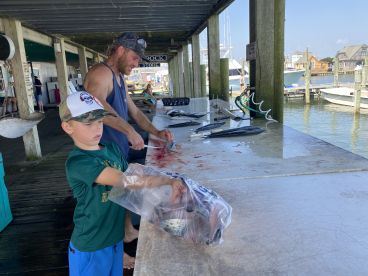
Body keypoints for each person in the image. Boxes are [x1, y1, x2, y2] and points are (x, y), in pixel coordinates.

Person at [59, 91, 185, 276]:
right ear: (68, 127)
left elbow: (130, 179)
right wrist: (165, 180)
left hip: (115, 239)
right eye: (88, 124)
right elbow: (125, 180)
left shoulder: (112, 149)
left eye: (100, 121)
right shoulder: (78, 162)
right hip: (91, 245)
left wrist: (169, 179)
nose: (97, 129)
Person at [84, 32, 173, 269]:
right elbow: (93, 105)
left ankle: (127, 232)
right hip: (102, 151)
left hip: (117, 149)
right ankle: (116, 253)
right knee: (106, 205)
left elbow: (136, 113)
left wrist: (156, 132)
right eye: (134, 58)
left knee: (120, 195)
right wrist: (128, 131)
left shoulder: (120, 79)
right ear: (121, 50)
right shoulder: (101, 73)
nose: (136, 64)